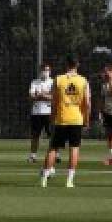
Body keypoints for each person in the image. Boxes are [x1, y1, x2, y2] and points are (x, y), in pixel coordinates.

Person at [41, 57, 90, 188]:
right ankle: (69, 181)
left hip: (61, 119)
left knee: (53, 149)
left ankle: (44, 180)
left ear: (66, 64)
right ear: (77, 65)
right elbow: (87, 103)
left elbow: (54, 101)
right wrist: (86, 120)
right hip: (77, 119)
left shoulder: (58, 79)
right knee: (74, 149)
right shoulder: (83, 80)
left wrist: (52, 117)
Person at [27, 64, 53, 163]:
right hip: (36, 113)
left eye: (47, 70)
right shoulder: (34, 82)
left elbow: (54, 97)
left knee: (52, 135)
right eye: (44, 70)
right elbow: (31, 97)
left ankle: (55, 154)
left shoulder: (53, 82)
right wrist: (45, 95)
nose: (45, 72)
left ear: (50, 71)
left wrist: (41, 94)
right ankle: (33, 156)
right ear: (40, 71)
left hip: (49, 112)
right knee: (35, 136)